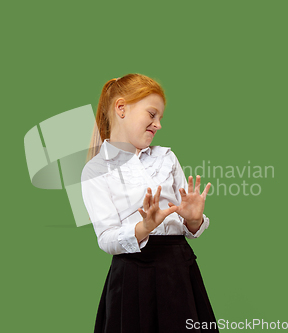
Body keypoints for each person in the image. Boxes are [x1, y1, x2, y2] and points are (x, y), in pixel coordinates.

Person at [81, 73, 218, 333]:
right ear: (121, 109)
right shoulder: (95, 170)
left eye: (160, 118)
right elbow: (106, 239)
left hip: (178, 269)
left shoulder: (166, 157)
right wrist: (144, 227)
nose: (158, 125)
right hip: (134, 276)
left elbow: (188, 223)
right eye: (152, 114)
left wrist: (192, 218)